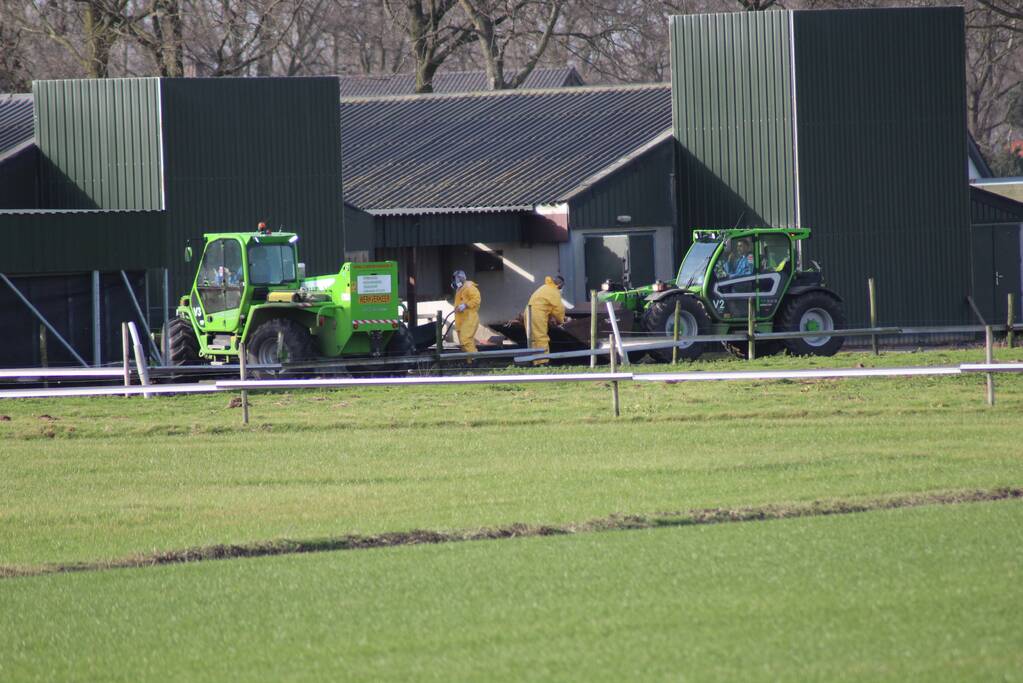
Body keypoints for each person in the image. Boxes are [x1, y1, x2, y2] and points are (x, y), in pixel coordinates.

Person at [525, 275, 567, 364]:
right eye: (561, 287)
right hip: (538, 314)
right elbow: (559, 309)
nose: (561, 289)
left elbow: (547, 305)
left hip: (528, 312)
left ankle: (535, 361)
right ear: (559, 284)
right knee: (541, 338)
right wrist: (561, 320)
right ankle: (543, 362)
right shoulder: (554, 291)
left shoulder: (545, 287)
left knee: (533, 338)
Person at [451, 270, 481, 354]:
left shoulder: (469, 287)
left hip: (469, 318)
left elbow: (476, 299)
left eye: (455, 279)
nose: (454, 281)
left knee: (465, 339)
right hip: (461, 319)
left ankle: (474, 359)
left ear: (461, 278)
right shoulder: (460, 289)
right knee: (463, 343)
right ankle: (470, 362)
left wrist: (465, 305)